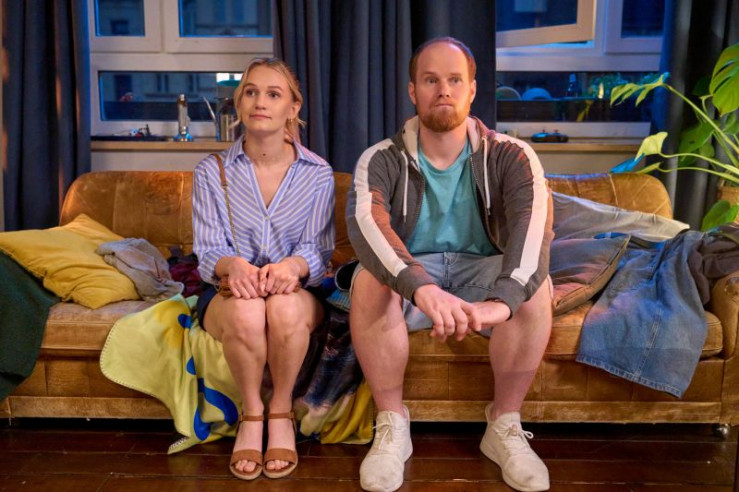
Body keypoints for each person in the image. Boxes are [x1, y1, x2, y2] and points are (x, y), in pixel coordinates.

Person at [346, 37, 554, 492]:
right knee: (367, 280)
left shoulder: (512, 155)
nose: (443, 89)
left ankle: (504, 425)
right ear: (412, 91)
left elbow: (532, 230)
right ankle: (392, 424)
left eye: (455, 80)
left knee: (535, 285)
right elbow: (368, 227)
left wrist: (502, 303)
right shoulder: (379, 159)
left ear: (472, 90)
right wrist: (423, 288)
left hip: (483, 275)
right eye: (430, 80)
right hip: (413, 282)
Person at [192, 58, 335, 481]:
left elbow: (318, 250)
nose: (260, 102)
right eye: (251, 92)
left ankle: (281, 411)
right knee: (247, 311)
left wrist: (293, 266)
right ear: (239, 103)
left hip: (295, 291)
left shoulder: (317, 173)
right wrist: (232, 265)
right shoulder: (210, 171)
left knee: (284, 309)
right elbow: (207, 250)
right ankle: (252, 415)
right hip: (229, 292)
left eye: (274, 94)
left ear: (293, 107)